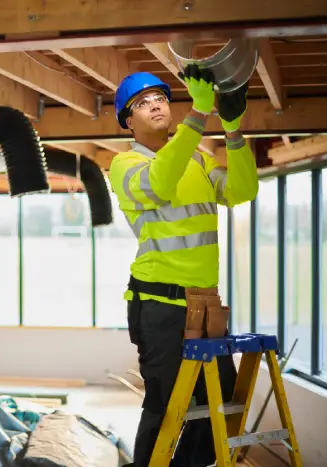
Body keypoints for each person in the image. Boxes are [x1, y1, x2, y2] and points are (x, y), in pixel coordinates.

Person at [108, 65, 259, 466]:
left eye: (160, 98)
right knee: (164, 407)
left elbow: (243, 190)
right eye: (142, 103)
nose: (155, 105)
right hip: (159, 306)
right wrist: (197, 116)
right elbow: (160, 182)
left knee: (215, 406)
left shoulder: (197, 158)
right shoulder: (124, 167)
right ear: (128, 121)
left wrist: (232, 129)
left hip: (205, 305)